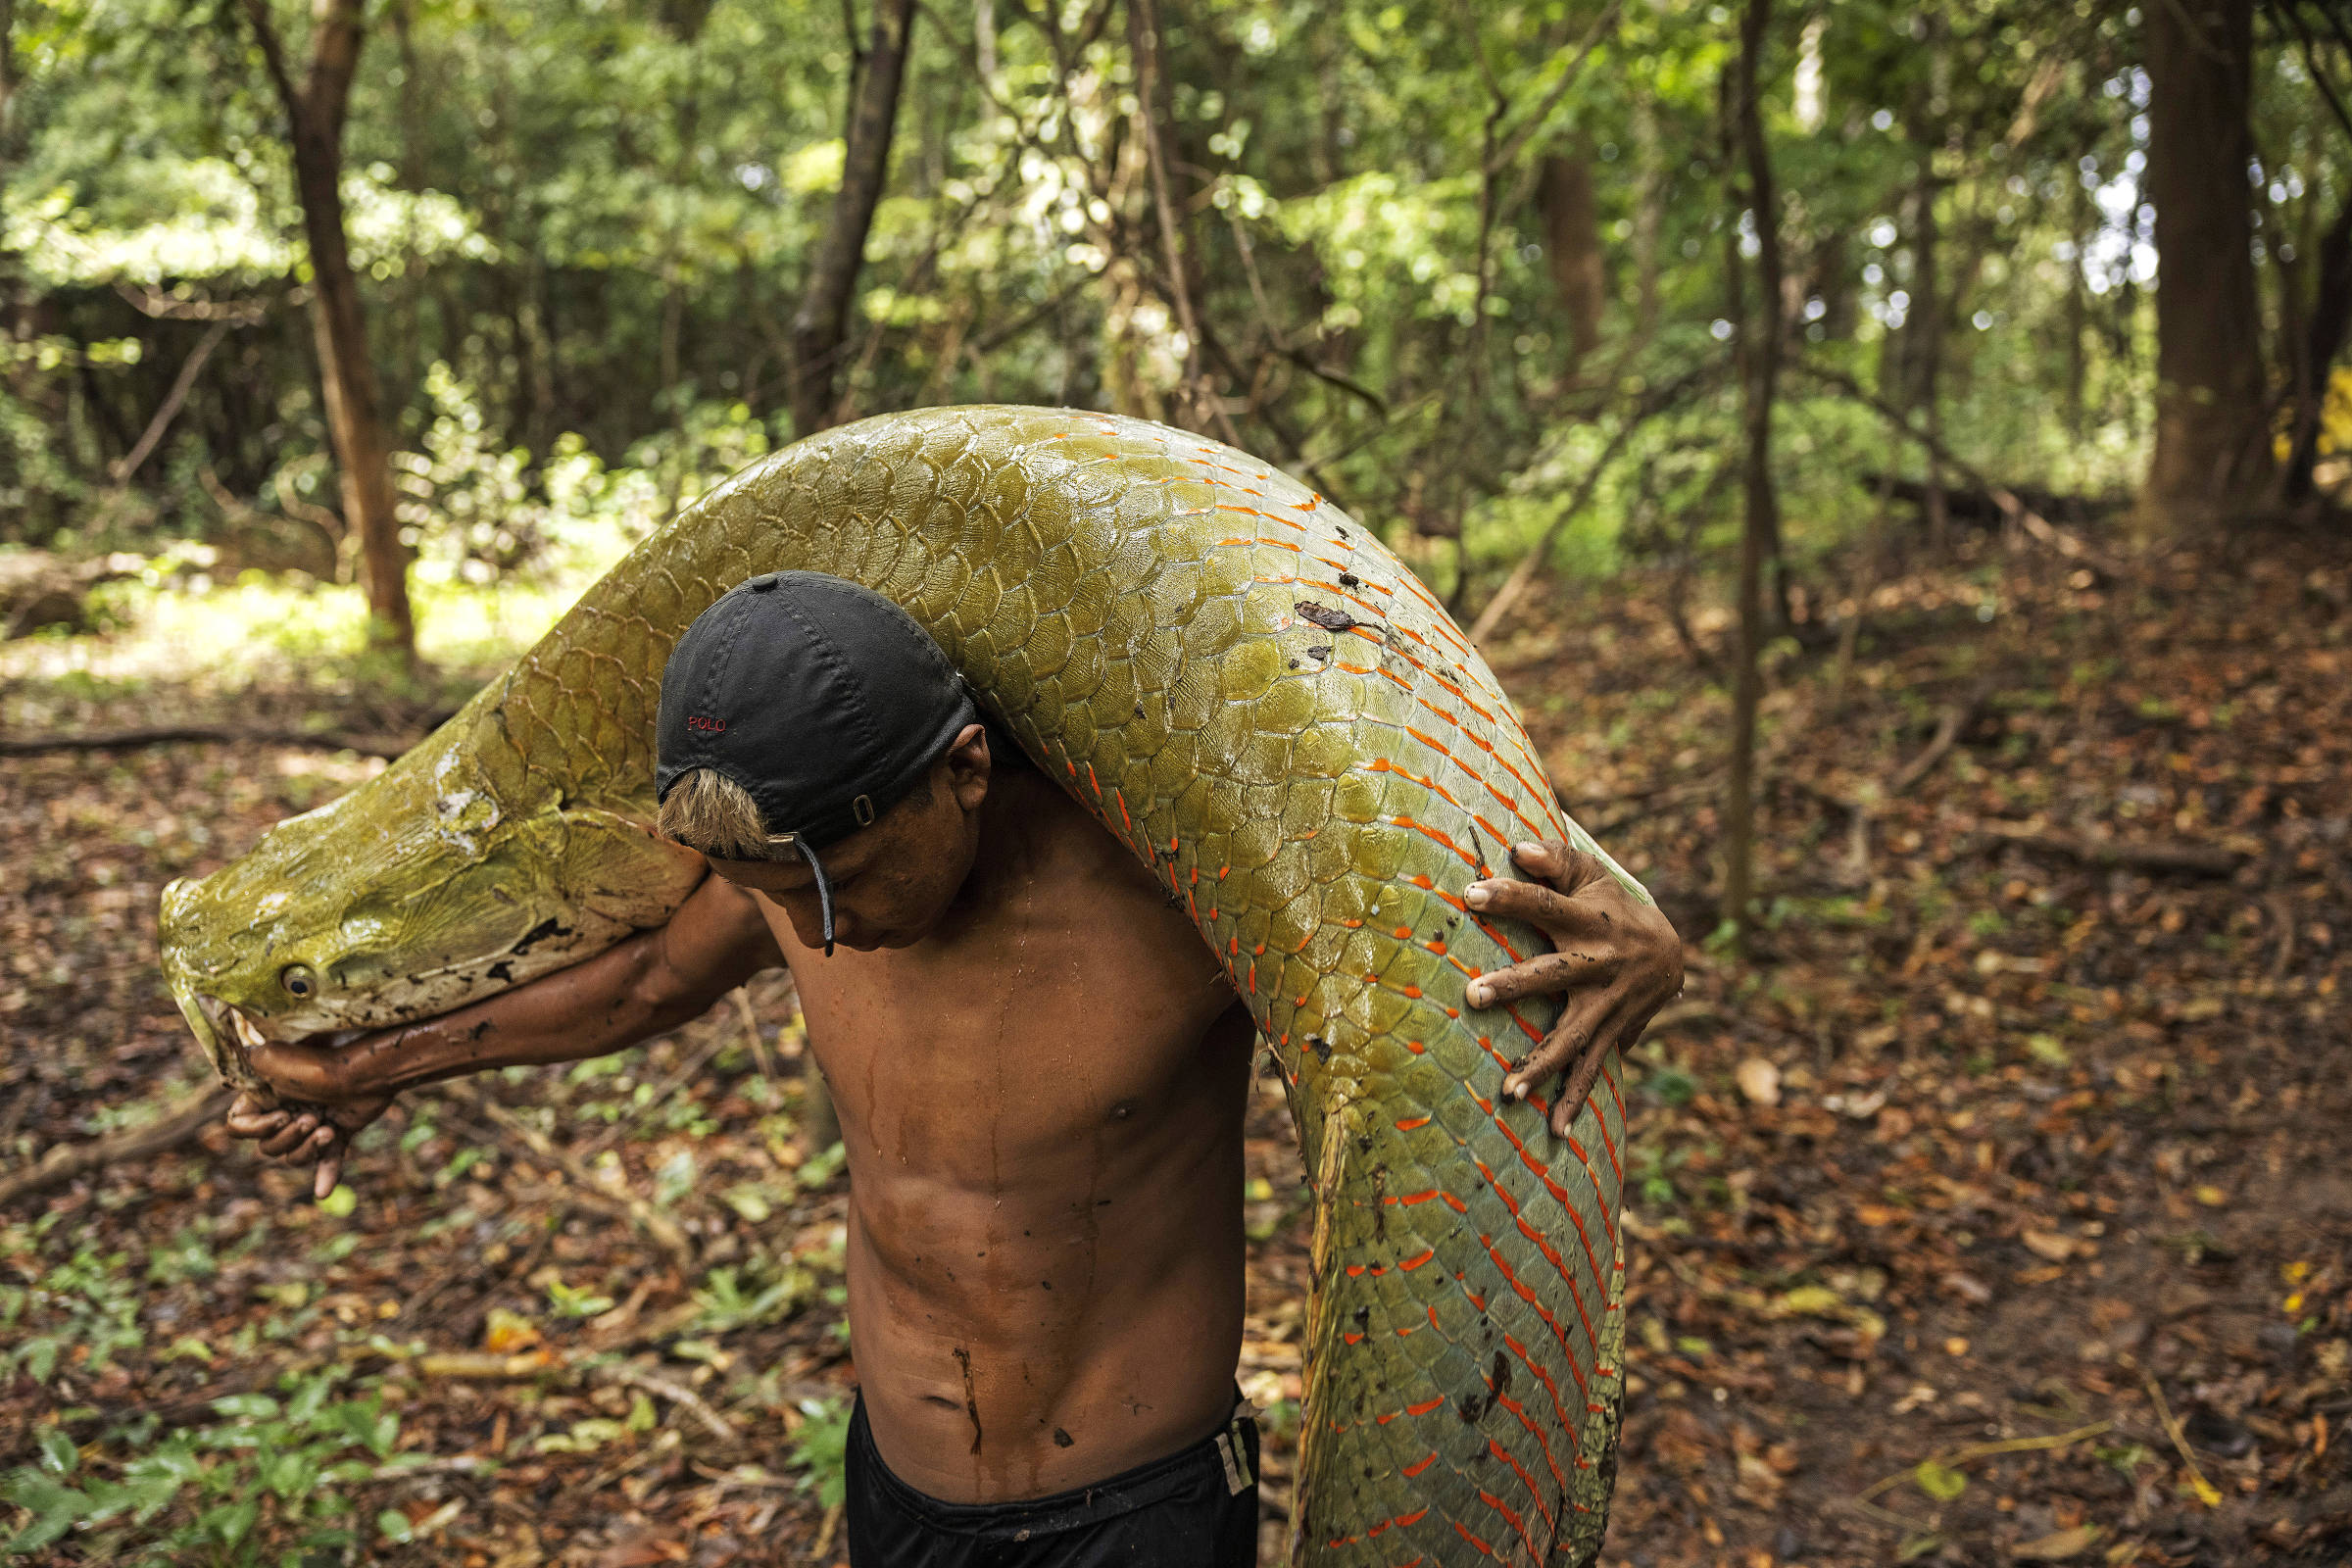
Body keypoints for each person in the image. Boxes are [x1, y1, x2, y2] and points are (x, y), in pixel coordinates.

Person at [225, 570, 1683, 1567]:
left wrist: (1641, 932)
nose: (816, 930)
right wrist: (382, 1065)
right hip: (899, 1484)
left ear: (965, 771)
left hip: (1137, 1511)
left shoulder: (1182, 895)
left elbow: (1443, 901)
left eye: (837, 877)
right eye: (771, 897)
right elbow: (652, 974)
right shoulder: (787, 873)